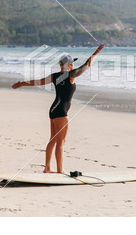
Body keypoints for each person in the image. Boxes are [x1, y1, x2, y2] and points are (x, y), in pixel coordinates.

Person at [12, 45, 104, 174]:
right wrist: (97, 52)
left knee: (53, 140)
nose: (72, 65)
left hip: (53, 110)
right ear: (69, 65)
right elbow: (87, 65)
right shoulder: (71, 75)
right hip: (61, 112)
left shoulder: (55, 76)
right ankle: (60, 170)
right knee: (61, 141)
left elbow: (38, 82)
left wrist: (22, 83)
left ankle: (48, 168)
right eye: (72, 63)